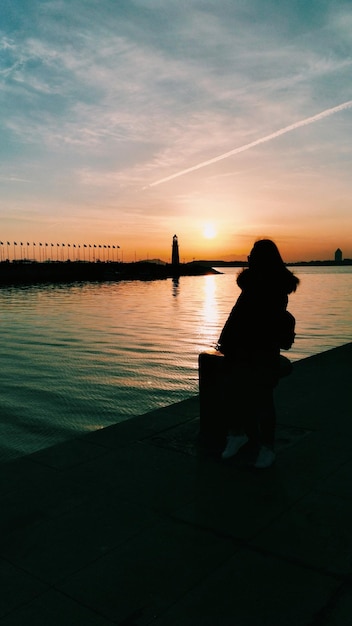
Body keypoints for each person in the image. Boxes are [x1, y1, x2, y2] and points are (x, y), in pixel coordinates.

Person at [217, 239, 299, 468]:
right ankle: (238, 435)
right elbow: (237, 318)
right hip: (241, 350)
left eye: (252, 256)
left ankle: (267, 448)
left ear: (262, 260)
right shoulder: (253, 286)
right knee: (234, 394)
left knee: (262, 400)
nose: (248, 259)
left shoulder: (270, 289)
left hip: (261, 352)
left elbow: (257, 322)